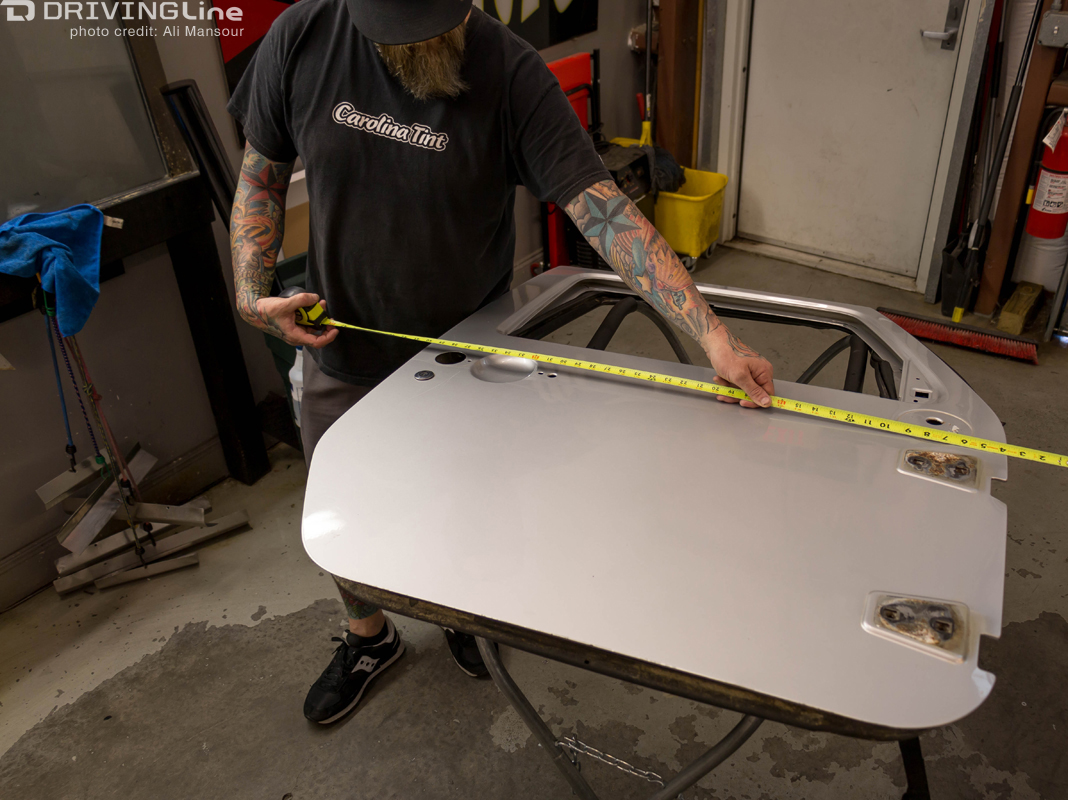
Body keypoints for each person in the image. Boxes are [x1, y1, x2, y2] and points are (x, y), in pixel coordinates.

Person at [227, 0, 776, 725]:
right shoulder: (303, 36)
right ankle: (369, 634)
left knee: (467, 512)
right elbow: (262, 176)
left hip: (465, 366)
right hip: (343, 353)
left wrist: (711, 337)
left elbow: (603, 212)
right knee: (341, 519)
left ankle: (461, 614)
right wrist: (250, 291)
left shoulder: (512, 73)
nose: (411, 43)